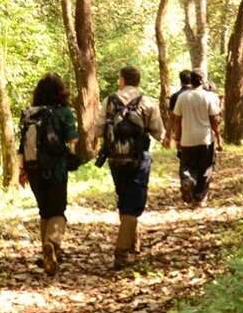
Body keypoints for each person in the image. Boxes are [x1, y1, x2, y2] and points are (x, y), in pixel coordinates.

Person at [96, 66, 165, 269]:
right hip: (138, 158)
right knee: (133, 205)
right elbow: (158, 132)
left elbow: (98, 129)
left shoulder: (109, 101)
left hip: (115, 158)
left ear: (122, 80)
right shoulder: (148, 102)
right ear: (138, 81)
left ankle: (133, 243)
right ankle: (122, 250)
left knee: (124, 198)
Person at [18, 73, 79, 276]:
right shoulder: (64, 113)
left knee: (44, 211)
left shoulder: (29, 113)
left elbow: (21, 145)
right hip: (56, 168)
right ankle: (52, 244)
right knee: (58, 211)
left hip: (33, 167)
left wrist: (21, 170)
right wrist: (71, 156)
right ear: (60, 91)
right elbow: (72, 140)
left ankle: (46, 253)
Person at [173, 69, 223, 207]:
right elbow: (214, 120)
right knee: (205, 168)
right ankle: (199, 198)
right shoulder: (208, 97)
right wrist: (218, 137)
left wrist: (177, 138)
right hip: (205, 138)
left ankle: (187, 180)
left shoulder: (182, 97)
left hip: (187, 138)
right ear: (203, 80)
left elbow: (177, 119)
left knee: (187, 165)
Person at [162, 70, 192, 150]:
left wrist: (168, 135)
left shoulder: (175, 96)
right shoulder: (200, 95)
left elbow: (172, 117)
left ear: (181, 81)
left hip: (182, 132)